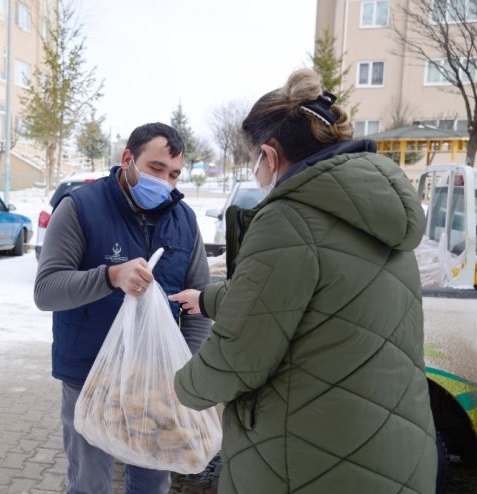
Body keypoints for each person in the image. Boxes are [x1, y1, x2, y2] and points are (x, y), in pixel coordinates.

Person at [169, 68, 437, 494]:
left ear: (270, 155)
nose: (256, 171)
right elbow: (315, 300)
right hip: (394, 449)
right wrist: (207, 300)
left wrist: (177, 387)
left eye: (254, 158)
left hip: (308, 459)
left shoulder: (288, 218)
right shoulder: (380, 214)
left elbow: (241, 354)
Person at [34, 122, 212, 494]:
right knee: (90, 483)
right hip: (89, 375)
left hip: (156, 380)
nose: (165, 182)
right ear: (127, 158)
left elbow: (198, 302)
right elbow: (47, 290)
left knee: (153, 478)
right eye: (156, 169)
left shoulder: (185, 221)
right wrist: (110, 276)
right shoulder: (80, 208)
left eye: (174, 174)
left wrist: (183, 370)